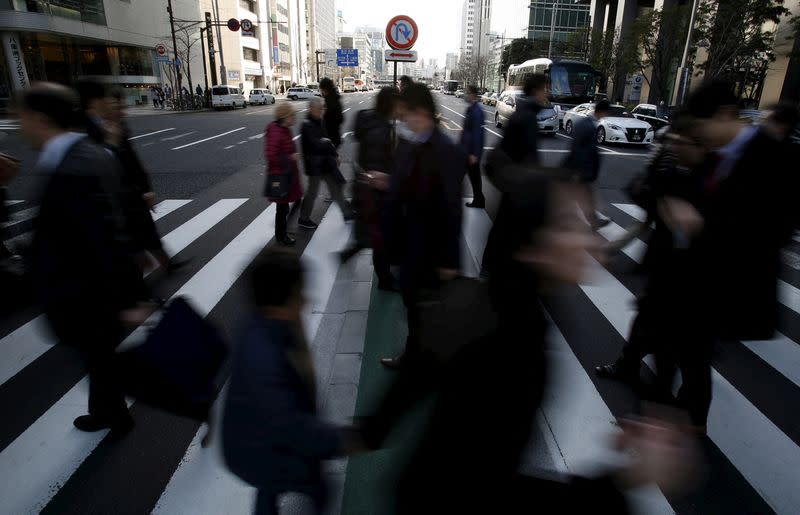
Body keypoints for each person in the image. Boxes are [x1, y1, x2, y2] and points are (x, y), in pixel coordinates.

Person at [650, 81, 799, 432]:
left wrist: (702, 224)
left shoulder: (773, 156)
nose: (701, 137)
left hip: (734, 283)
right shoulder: (718, 155)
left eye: (702, 128)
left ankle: (688, 422)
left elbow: (777, 229)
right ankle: (681, 417)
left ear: (725, 115)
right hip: (698, 280)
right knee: (686, 352)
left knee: (691, 352)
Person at [19, 83, 151, 436]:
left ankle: (116, 418)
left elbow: (103, 232)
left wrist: (127, 297)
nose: (20, 126)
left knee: (99, 356)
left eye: (22, 117)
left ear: (38, 118)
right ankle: (111, 414)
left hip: (86, 292)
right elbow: (119, 214)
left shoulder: (71, 167)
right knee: (100, 357)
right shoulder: (93, 152)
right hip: (91, 288)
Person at [222, 250, 362, 515]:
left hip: (247, 443)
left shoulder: (258, 324)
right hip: (263, 451)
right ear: (277, 304)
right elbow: (287, 423)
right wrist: (338, 440)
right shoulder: (265, 356)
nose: (306, 301)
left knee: (269, 487)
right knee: (317, 485)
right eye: (299, 294)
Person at [595, 111, 706, 383]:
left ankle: (669, 397)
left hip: (693, 273)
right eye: (674, 142)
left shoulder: (709, 177)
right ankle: (630, 366)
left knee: (676, 337)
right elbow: (643, 191)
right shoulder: (675, 169)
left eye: (682, 143)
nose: (675, 148)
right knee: (649, 318)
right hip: (666, 264)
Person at [375, 83, 465, 369]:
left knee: (423, 308)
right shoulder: (414, 142)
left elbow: (452, 207)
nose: (403, 118)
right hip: (411, 243)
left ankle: (423, 360)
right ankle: (419, 356)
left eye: (407, 113)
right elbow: (411, 185)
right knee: (414, 305)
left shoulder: (445, 149)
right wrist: (388, 181)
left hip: (430, 248)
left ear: (422, 112)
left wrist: (450, 260)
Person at [77, 81, 181, 274]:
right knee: (130, 241)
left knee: (144, 234)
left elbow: (133, 164)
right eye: (114, 103)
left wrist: (145, 188)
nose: (120, 109)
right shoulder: (88, 132)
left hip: (131, 194)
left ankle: (164, 266)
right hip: (117, 198)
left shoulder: (115, 126)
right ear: (95, 103)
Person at [480, 73, 548, 279]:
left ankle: (493, 267)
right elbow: (528, 155)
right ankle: (497, 269)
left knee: (505, 226)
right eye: (546, 88)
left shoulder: (525, 113)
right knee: (508, 227)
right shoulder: (526, 117)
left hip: (513, 180)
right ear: (537, 90)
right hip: (517, 182)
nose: (548, 92)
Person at [340, 87, 399, 290]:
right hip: (374, 187)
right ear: (390, 105)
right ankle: (385, 279)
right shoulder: (382, 129)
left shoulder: (367, 118)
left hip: (363, 185)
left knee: (371, 229)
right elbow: (381, 163)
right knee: (379, 235)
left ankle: (351, 251)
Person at [298, 96, 353, 229]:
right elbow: (316, 143)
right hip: (314, 165)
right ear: (311, 109)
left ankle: (347, 214)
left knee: (335, 188)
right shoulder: (306, 124)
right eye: (319, 108)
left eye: (322, 108)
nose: (322, 111)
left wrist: (334, 154)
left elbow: (326, 138)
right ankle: (303, 218)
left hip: (325, 163)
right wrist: (327, 144)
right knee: (312, 192)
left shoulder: (318, 121)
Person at [564, 99, 610, 229]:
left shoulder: (585, 123)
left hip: (580, 169)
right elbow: (579, 149)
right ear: (602, 112)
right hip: (580, 170)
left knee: (584, 197)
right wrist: (579, 171)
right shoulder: (588, 126)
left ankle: (594, 222)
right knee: (579, 197)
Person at [265, 103, 303, 246]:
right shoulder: (276, 131)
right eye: (292, 115)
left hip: (287, 174)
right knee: (282, 208)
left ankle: (283, 231)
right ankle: (281, 235)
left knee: (292, 202)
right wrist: (290, 157)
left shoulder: (284, 129)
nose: (294, 117)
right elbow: (271, 155)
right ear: (285, 117)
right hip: (280, 176)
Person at [462, 84, 485, 208]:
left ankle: (479, 200)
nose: (465, 95)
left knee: (474, 177)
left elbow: (477, 133)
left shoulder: (477, 111)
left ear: (473, 95)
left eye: (467, 92)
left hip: (471, 152)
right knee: (473, 177)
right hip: (466, 150)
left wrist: (475, 154)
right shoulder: (471, 109)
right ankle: (479, 200)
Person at [318, 78, 343, 148]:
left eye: (321, 89)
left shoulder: (330, 102)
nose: (320, 92)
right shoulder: (333, 98)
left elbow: (337, 119)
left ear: (325, 89)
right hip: (334, 137)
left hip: (330, 138)